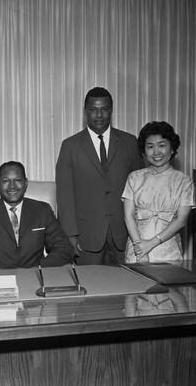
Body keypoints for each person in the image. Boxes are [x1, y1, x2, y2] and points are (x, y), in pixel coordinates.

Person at [55, 87, 144, 265]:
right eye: (93, 109)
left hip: (125, 234)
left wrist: (141, 232)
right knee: (91, 288)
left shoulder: (129, 142)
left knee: (127, 288)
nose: (99, 115)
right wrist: (70, 235)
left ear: (111, 110)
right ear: (85, 112)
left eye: (104, 109)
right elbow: (64, 196)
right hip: (86, 236)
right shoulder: (70, 146)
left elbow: (140, 190)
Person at [122, 121, 195, 263]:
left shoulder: (184, 182)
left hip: (168, 251)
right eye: (150, 147)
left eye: (162, 145)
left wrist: (150, 243)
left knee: (170, 285)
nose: (156, 152)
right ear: (144, 151)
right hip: (137, 251)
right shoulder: (134, 177)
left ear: (172, 148)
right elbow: (128, 215)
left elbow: (181, 220)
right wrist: (139, 247)